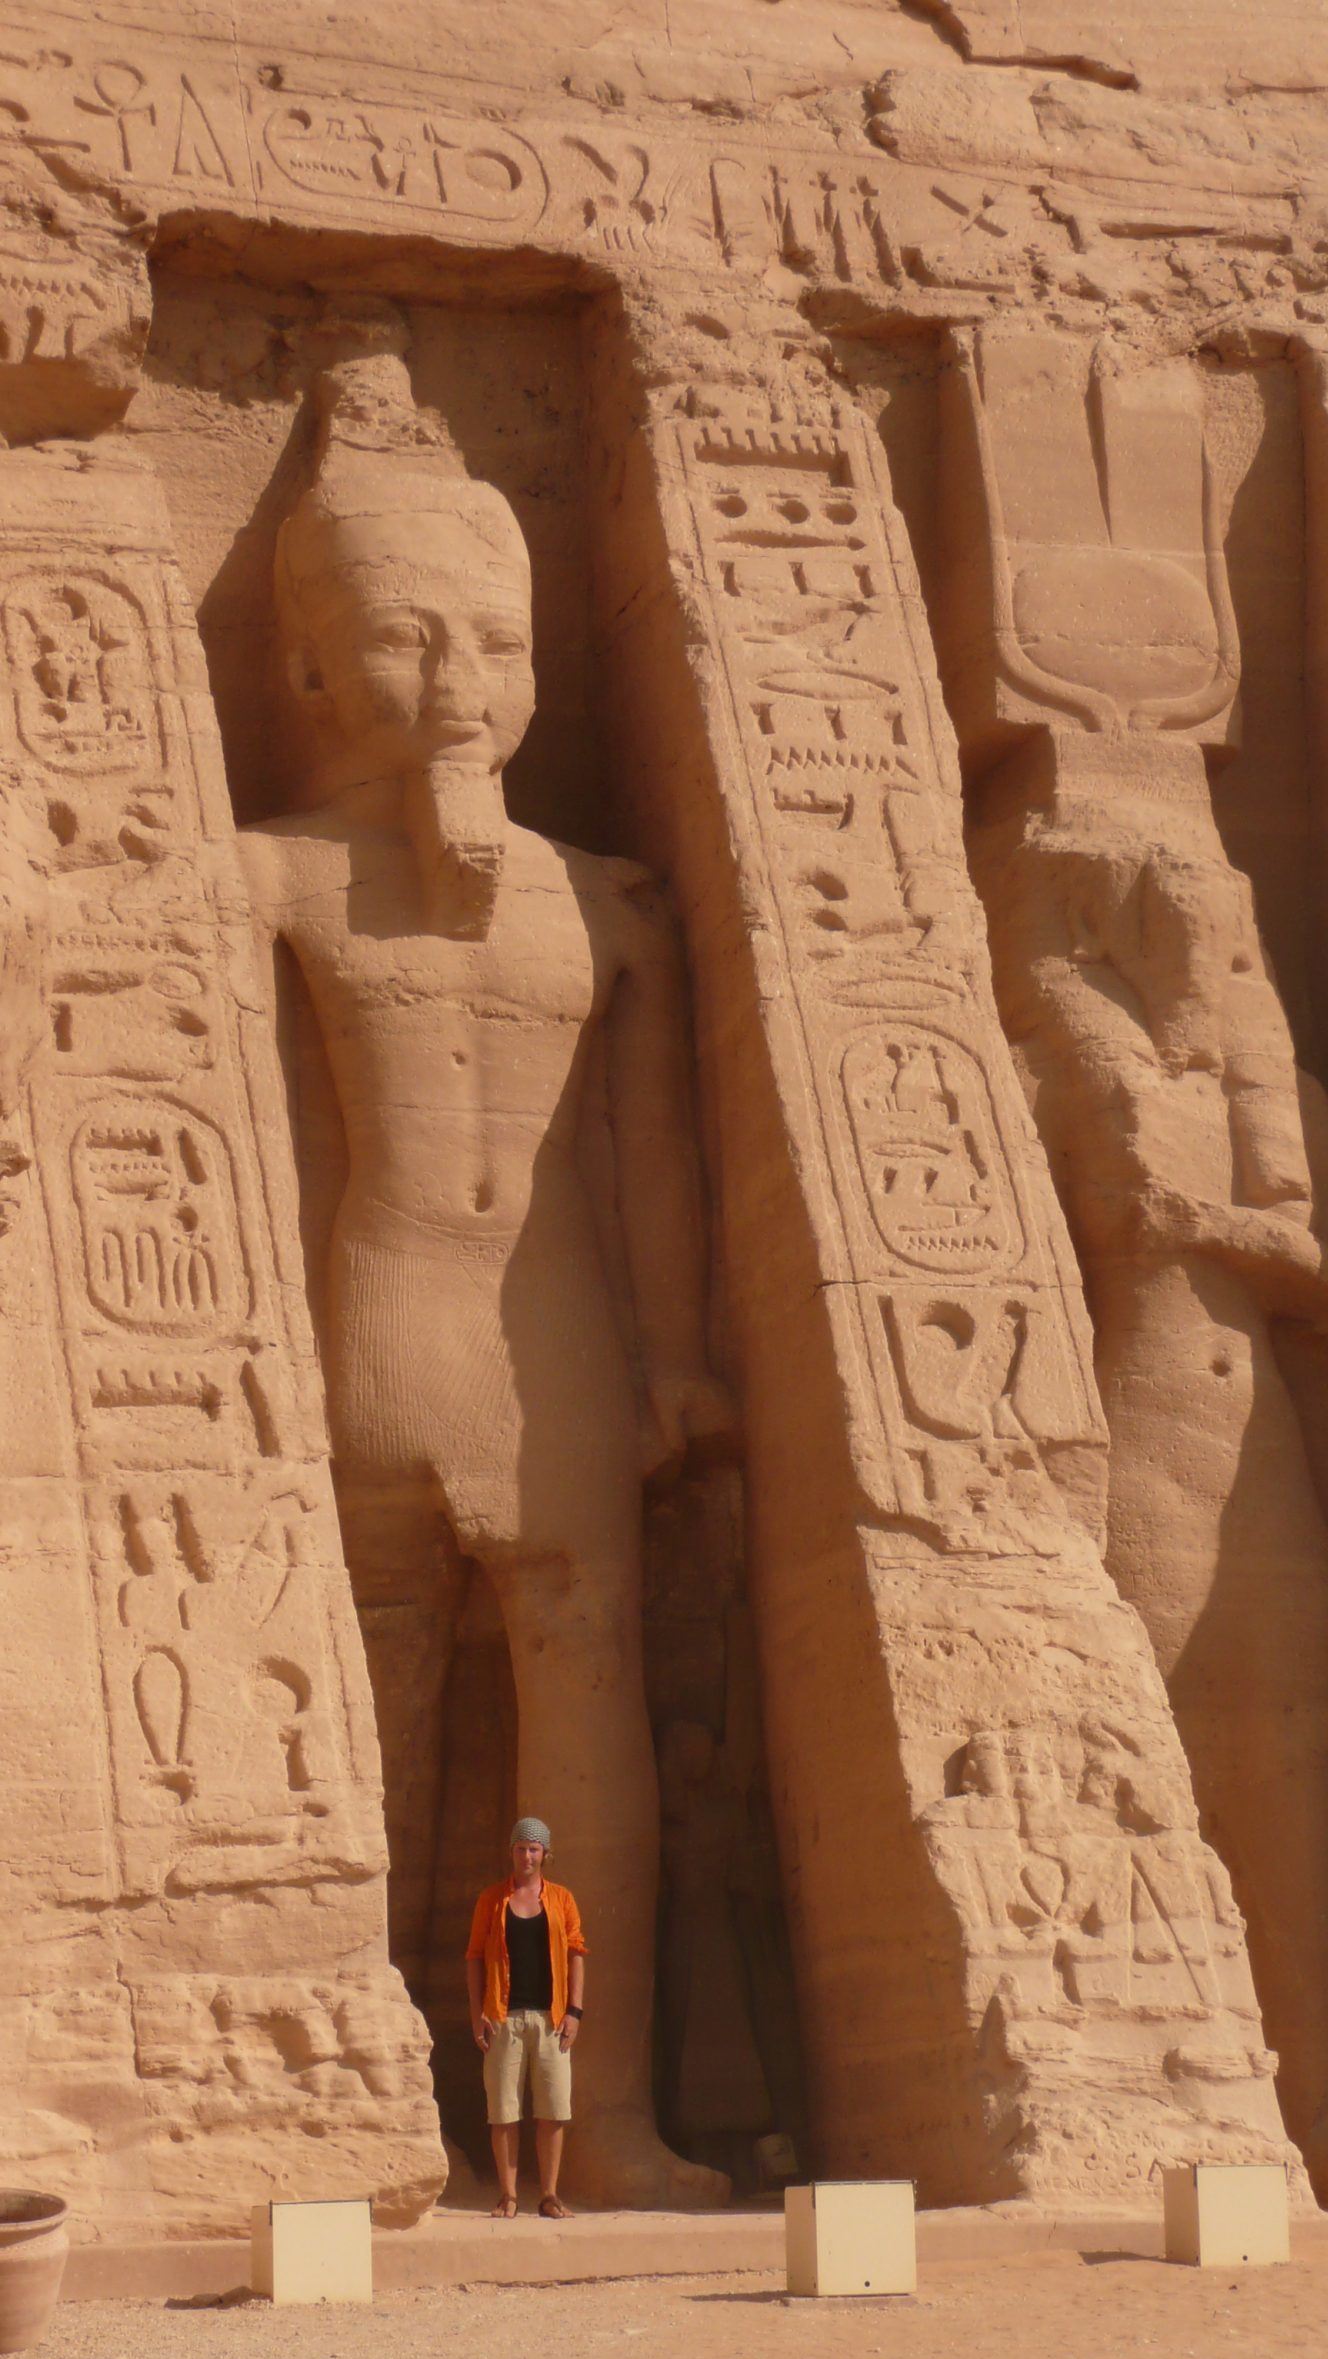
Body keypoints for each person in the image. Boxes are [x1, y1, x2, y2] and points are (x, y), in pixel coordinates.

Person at [239, 327, 731, 2205]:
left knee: (587, 1693)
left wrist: (686, 1349)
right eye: (405, 636)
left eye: (497, 643)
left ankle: (604, 2126)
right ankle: (352, 2108)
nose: (457, 683)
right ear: (301, 661)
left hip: (562, 1337)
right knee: (364, 1706)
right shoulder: (269, 872)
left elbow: (658, 1154)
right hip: (365, 1325)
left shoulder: (601, 902)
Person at [466, 1818, 586, 2217]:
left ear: (545, 1855)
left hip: (551, 2018)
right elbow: (475, 1958)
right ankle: (508, 2195)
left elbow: (576, 1954)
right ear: (512, 1852)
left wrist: (574, 2011)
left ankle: (549, 2195)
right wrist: (476, 2013)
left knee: (552, 2110)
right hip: (503, 2016)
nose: (527, 1856)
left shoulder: (562, 1900)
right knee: (503, 2111)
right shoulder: (492, 1900)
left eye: (534, 1849)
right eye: (521, 1848)